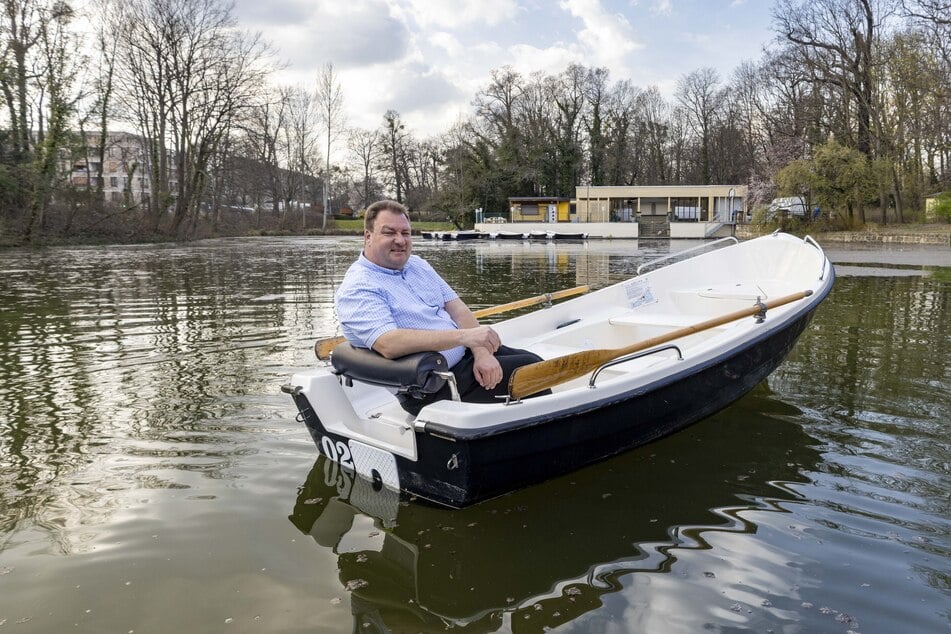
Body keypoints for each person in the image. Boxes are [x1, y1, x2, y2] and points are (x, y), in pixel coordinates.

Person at [335, 199, 546, 415]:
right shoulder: (359, 286)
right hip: (432, 385)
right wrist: (464, 337)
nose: (400, 240)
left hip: (465, 357)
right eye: (389, 233)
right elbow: (389, 343)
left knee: (536, 364)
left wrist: (481, 352)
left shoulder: (417, 265)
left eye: (405, 233)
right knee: (533, 375)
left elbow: (457, 309)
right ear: (368, 237)